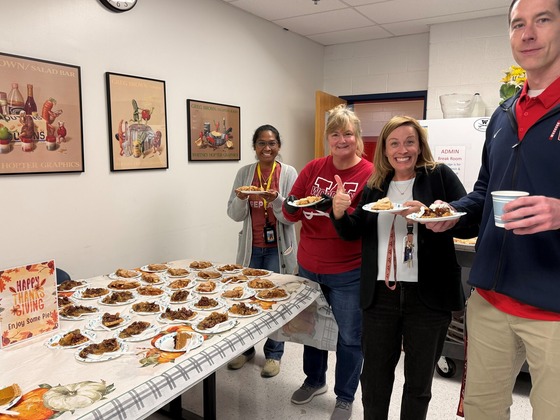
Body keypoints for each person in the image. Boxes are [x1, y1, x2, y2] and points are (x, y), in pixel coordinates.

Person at [426, 1, 560, 418]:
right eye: (518, 24)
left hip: (553, 309)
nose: (528, 33)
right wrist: (452, 212)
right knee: (482, 412)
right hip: (489, 299)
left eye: (543, 20)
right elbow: (485, 191)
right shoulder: (502, 116)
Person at [330, 116, 477, 420]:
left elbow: (468, 220)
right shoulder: (375, 186)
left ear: (420, 145)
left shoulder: (439, 176)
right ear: (384, 150)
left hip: (428, 298)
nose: (403, 150)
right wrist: (340, 213)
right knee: (374, 381)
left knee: (419, 384)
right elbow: (353, 231)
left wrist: (433, 213)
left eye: (410, 141)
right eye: (394, 143)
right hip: (380, 297)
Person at [282, 104, 372, 420]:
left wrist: (343, 209)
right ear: (328, 138)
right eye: (335, 133)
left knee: (349, 336)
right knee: (312, 329)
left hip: (349, 270)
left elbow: (366, 225)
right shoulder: (313, 168)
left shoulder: (369, 174)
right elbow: (290, 209)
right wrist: (292, 207)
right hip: (308, 265)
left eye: (348, 133)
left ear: (357, 137)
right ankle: (314, 380)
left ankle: (345, 397)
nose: (341, 139)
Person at [227, 124, 298, 377]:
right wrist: (241, 198)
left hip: (278, 249)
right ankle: (245, 350)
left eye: (271, 143)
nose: (266, 148)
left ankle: (274, 354)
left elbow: (292, 216)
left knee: (275, 303)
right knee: (246, 299)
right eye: (261, 143)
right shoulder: (245, 173)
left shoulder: (289, 173)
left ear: (279, 146)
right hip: (251, 249)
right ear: (254, 146)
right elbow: (234, 215)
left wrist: (276, 200)